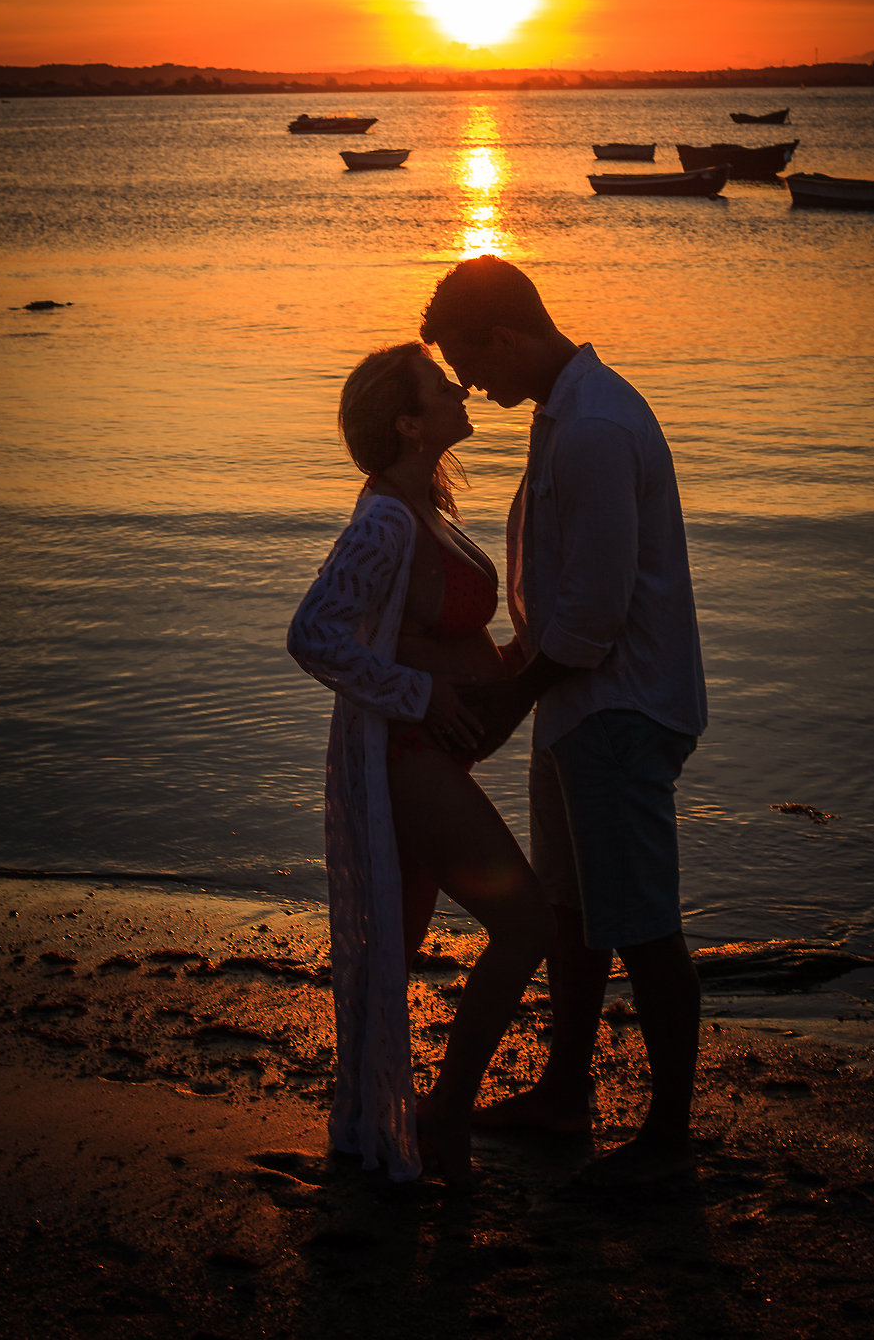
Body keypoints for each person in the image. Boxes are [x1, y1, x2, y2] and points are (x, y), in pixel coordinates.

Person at [418, 255, 708, 1185]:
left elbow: (595, 614)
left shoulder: (591, 428)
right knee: (576, 915)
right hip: (579, 705)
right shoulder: (566, 417)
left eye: (472, 364)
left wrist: (510, 697)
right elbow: (568, 598)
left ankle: (667, 1140)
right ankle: (563, 1094)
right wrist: (513, 672)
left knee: (644, 924)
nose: (472, 385)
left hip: (619, 708)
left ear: (506, 336)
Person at [286, 340, 554, 1187]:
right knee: (528, 923)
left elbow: (436, 634)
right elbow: (313, 633)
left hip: (433, 761)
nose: (460, 388)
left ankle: (387, 1120)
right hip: (409, 761)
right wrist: (419, 694)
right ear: (408, 423)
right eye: (440, 385)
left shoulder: (420, 505)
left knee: (399, 944)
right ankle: (443, 1116)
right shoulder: (385, 521)